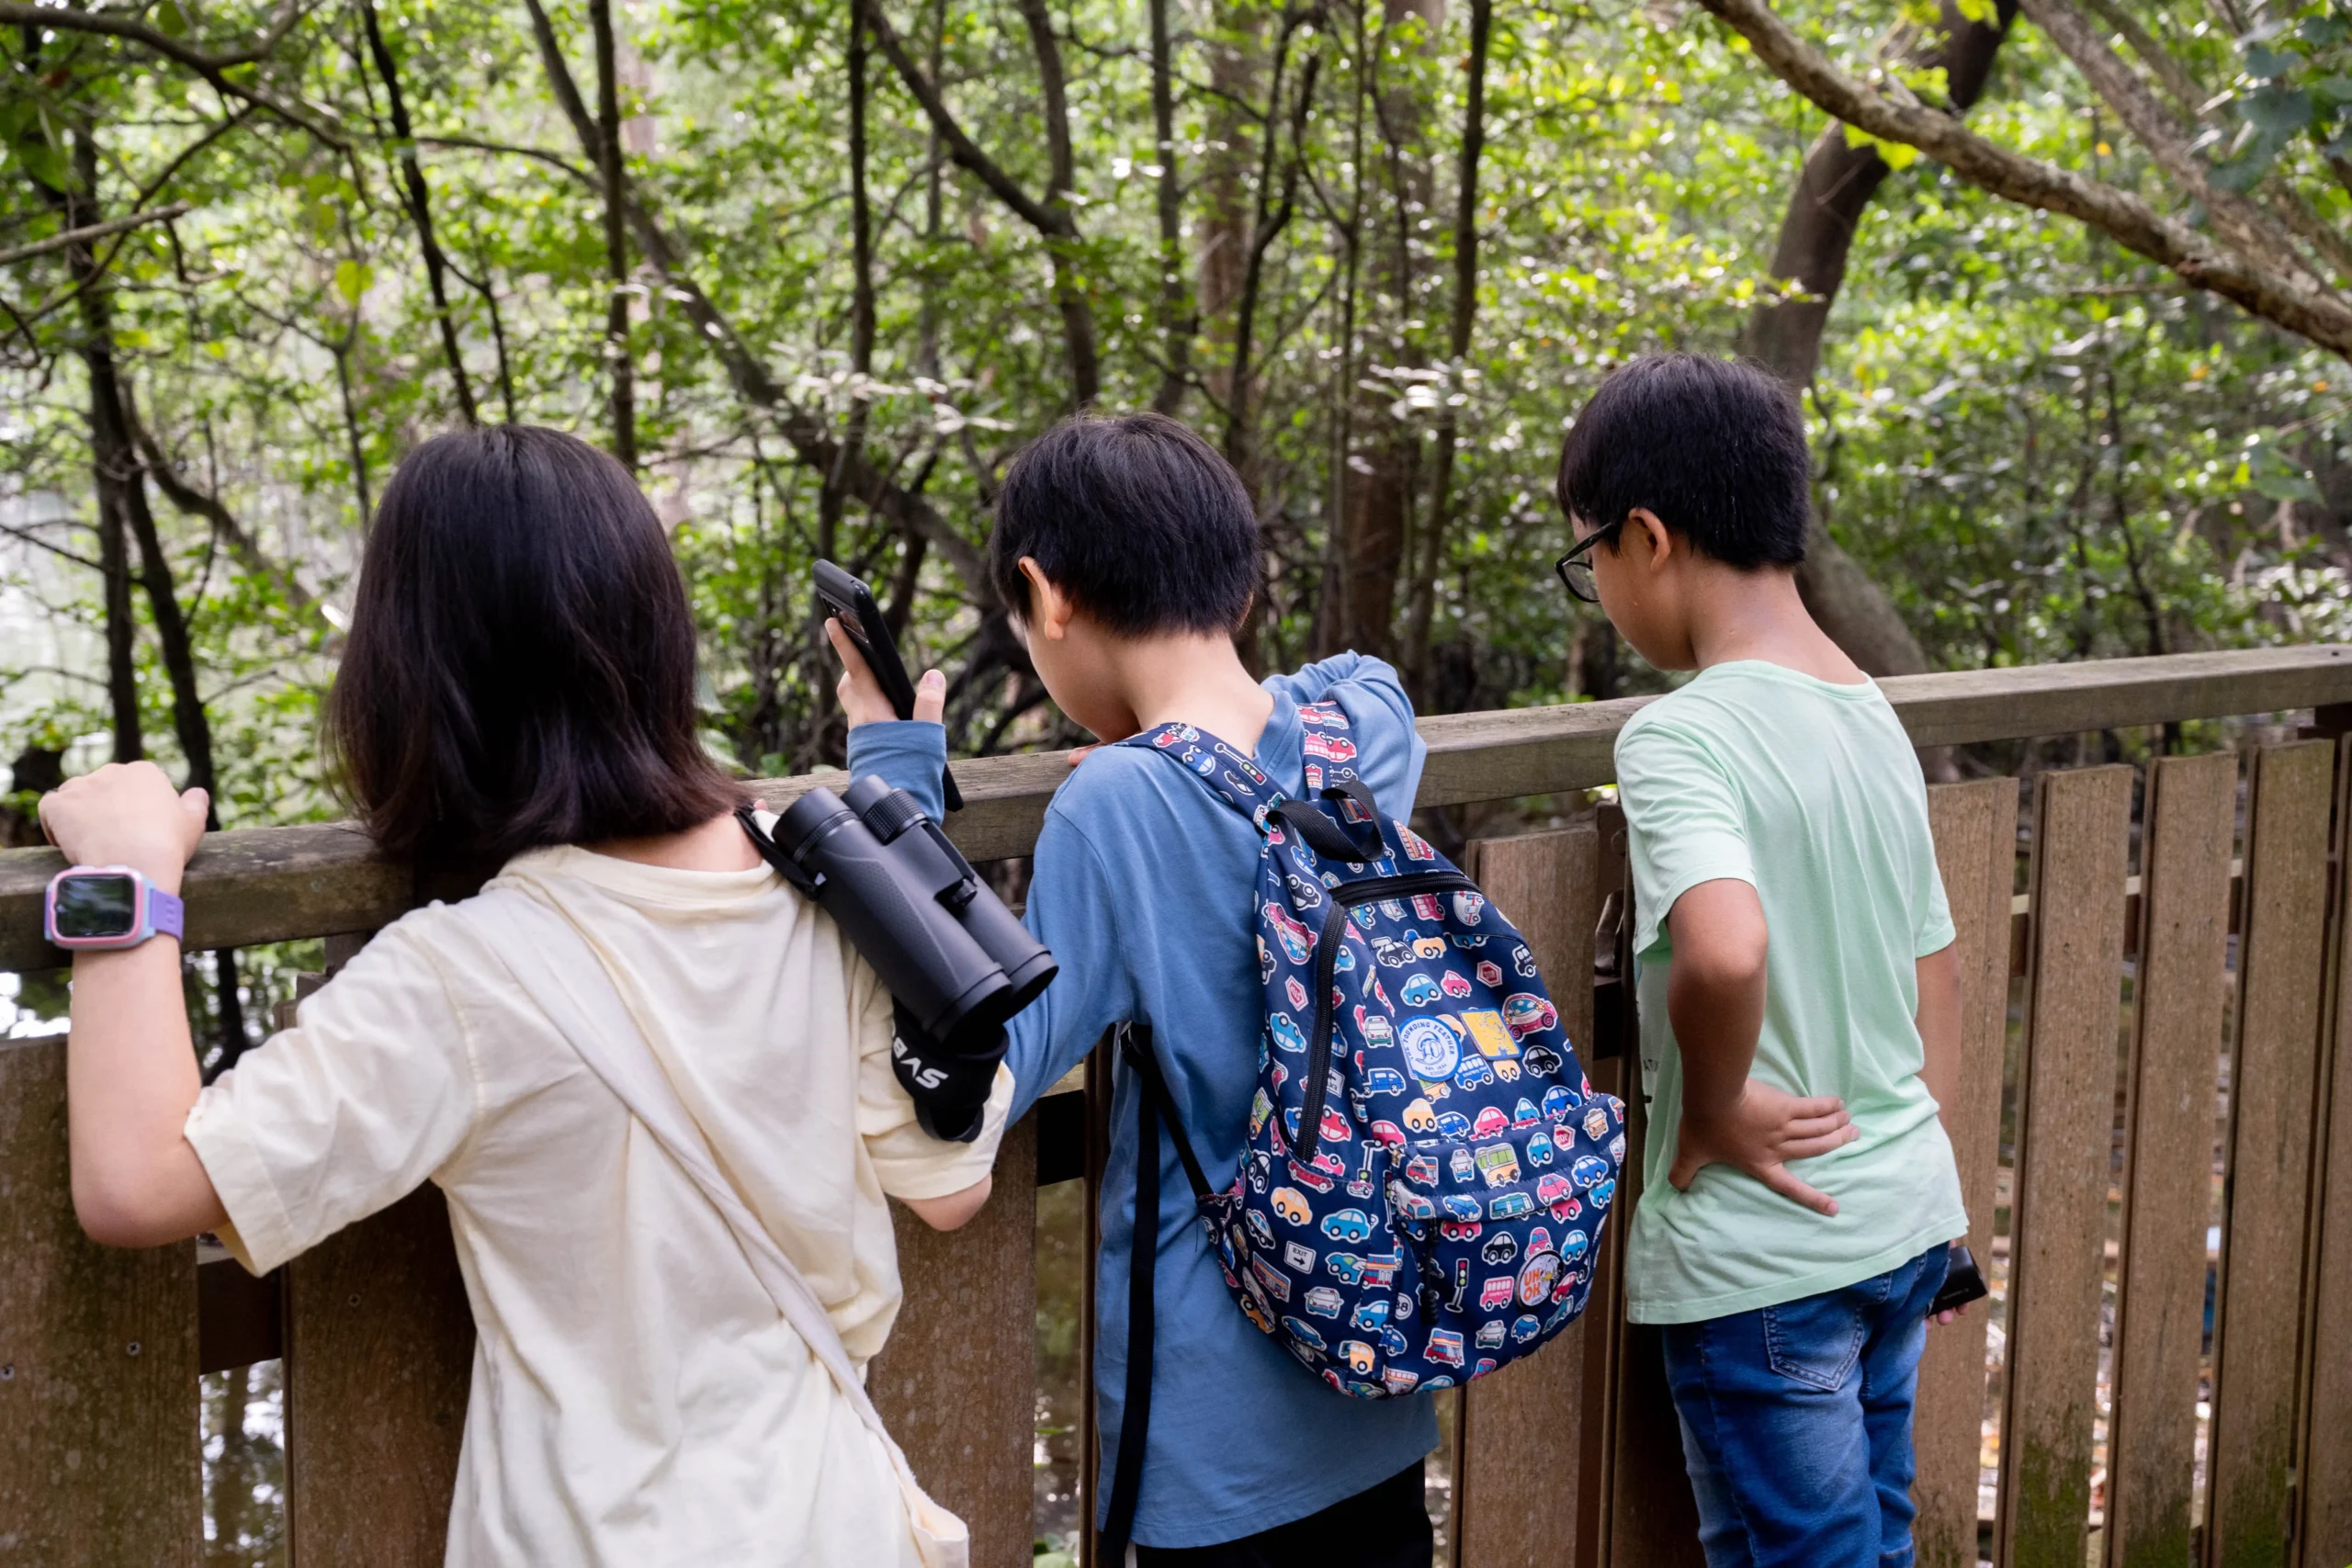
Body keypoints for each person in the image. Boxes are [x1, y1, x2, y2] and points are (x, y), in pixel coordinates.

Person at [39, 424, 1008, 1567]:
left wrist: (123, 883)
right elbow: (950, 1187)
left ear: (414, 677)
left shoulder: (464, 977)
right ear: (654, 636)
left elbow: (137, 1184)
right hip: (834, 1524)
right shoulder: (815, 875)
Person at [842, 412, 1437, 1565]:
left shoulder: (1115, 806)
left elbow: (971, 1104)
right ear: (1240, 587)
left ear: (1044, 595)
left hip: (1212, 1450)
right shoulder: (1358, 732)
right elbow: (1356, 679)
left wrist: (895, 781)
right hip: (1376, 1382)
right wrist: (1189, 728)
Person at [1553, 354, 1969, 1568]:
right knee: (1872, 1541)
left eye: (1587, 561)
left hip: (1765, 1257)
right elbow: (1936, 972)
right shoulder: (1869, 710)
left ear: (1646, 537)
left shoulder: (1682, 734)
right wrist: (1914, 1173)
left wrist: (1714, 1110)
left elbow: (1727, 951)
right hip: (1897, 1224)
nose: (1599, 590)